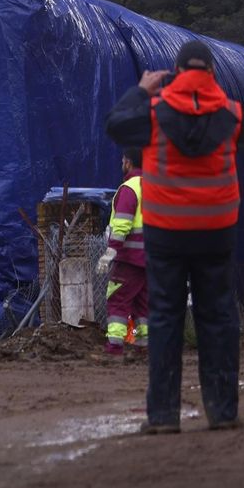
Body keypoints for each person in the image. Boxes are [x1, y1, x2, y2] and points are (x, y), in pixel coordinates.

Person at [106, 39, 244, 433]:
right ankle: (222, 412)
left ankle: (162, 417)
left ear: (174, 71)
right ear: (210, 73)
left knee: (165, 318)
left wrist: (142, 89)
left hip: (166, 231)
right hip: (216, 230)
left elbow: (117, 123)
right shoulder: (230, 114)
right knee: (218, 317)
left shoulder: (153, 113)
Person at [98, 149, 148, 359]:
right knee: (145, 305)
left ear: (128, 162)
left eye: (123, 159)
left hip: (130, 260)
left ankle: (114, 348)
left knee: (117, 300)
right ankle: (146, 347)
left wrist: (110, 253)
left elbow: (122, 225)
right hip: (154, 260)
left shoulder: (129, 188)